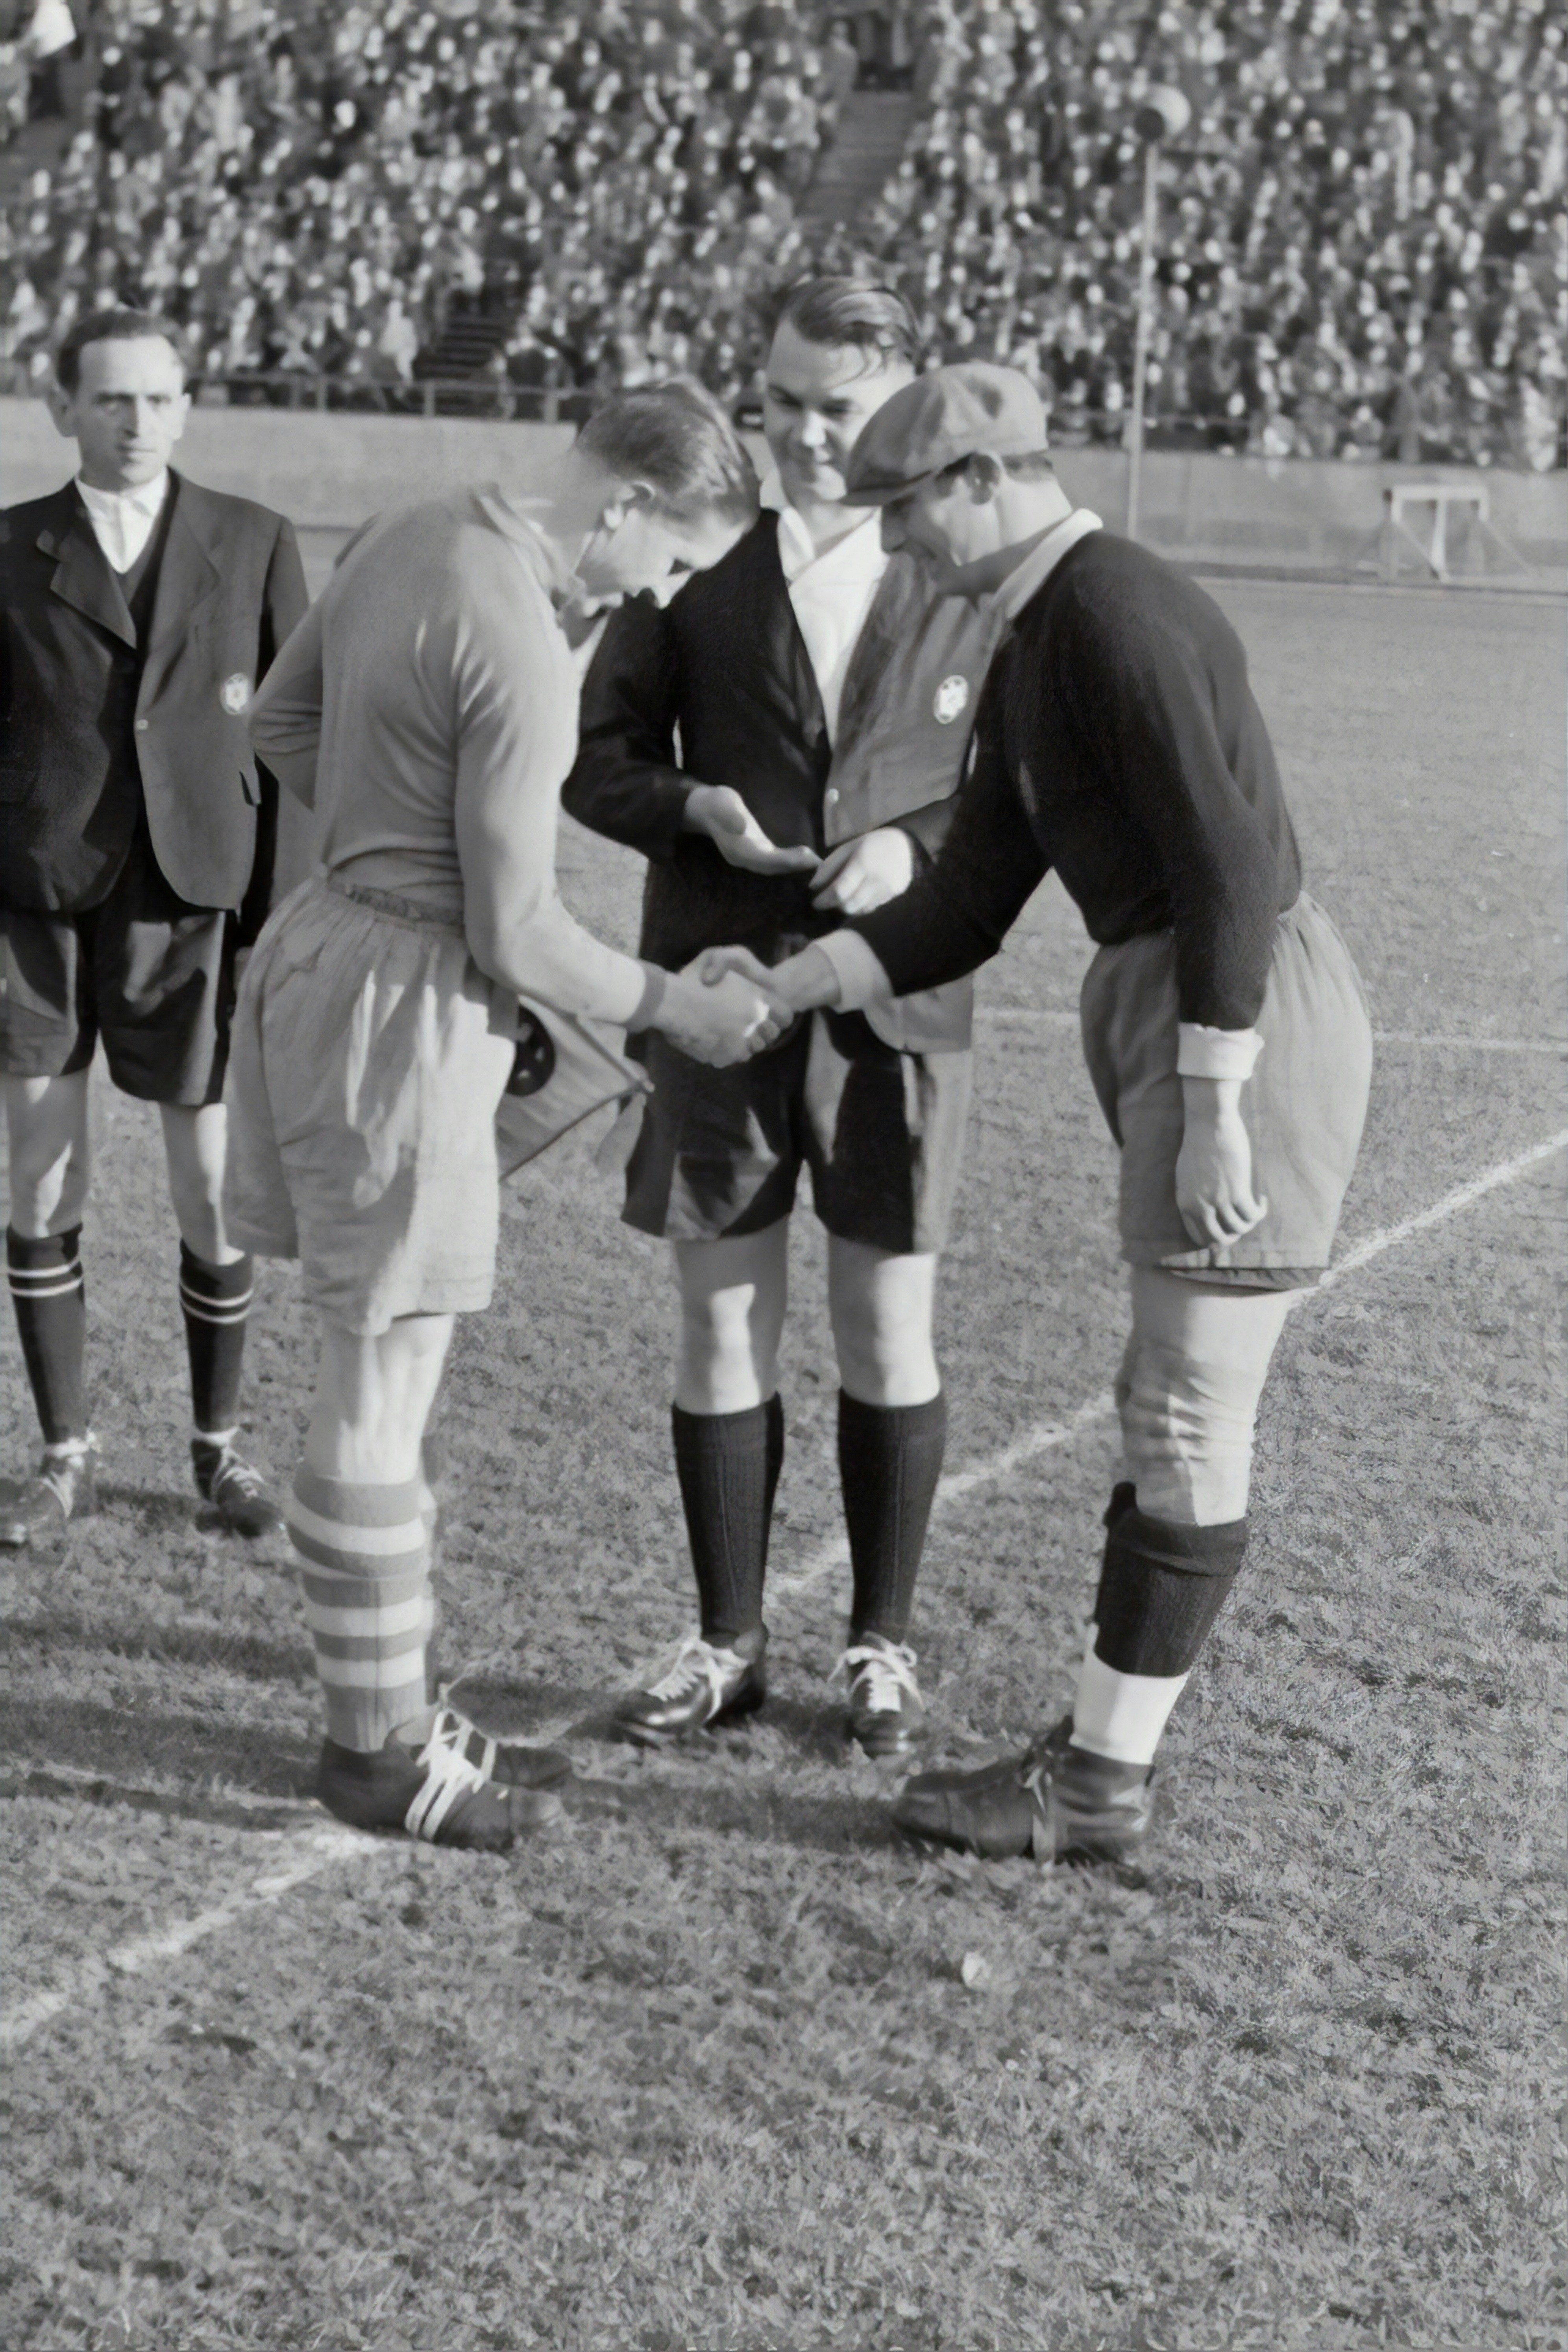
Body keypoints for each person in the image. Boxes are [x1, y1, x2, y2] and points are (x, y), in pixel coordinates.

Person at [707, 362, 1373, 1863]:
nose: (892, 544)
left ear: (980, 483)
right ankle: (1095, 1757)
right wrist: (795, 981)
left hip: (1241, 1014)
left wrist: (1218, 1106)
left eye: (905, 509)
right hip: (1192, 1010)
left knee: (1192, 1407)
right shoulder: (1037, 637)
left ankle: (1096, 1785)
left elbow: (1228, 872)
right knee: (1165, 1401)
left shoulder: (1113, 614)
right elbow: (966, 900)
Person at [227, 382, 785, 1853]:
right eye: (666, 562)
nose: (659, 593)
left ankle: (396, 1714)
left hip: (336, 951)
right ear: (623, 507)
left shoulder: (416, 525)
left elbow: (285, 722)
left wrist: (381, 822)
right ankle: (375, 1754)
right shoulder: (524, 636)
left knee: (392, 1360)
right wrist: (676, 1002)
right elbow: (522, 928)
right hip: (404, 998)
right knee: (379, 1377)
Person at [564, 280, 1009, 1759]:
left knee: (888, 1325)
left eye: (840, 405)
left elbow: (1022, 783)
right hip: (721, 995)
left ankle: (880, 1643)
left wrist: (920, 845)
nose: (808, 435)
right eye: (781, 402)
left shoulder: (958, 565)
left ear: (897, 399)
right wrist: (695, 804)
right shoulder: (698, 568)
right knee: (724, 1322)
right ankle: (727, 1641)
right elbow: (598, 766)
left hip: (897, 996)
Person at [0, 306, 309, 1550]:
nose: (138, 422)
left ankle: (219, 1451)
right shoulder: (11, 547)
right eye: (113, 399)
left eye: (161, 400)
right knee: (41, 1174)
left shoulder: (256, 537)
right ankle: (62, 1451)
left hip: (196, 904)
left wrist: (278, 920)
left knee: (210, 1189)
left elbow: (292, 739)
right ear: (61, 406)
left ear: (188, 408)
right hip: (35, 899)